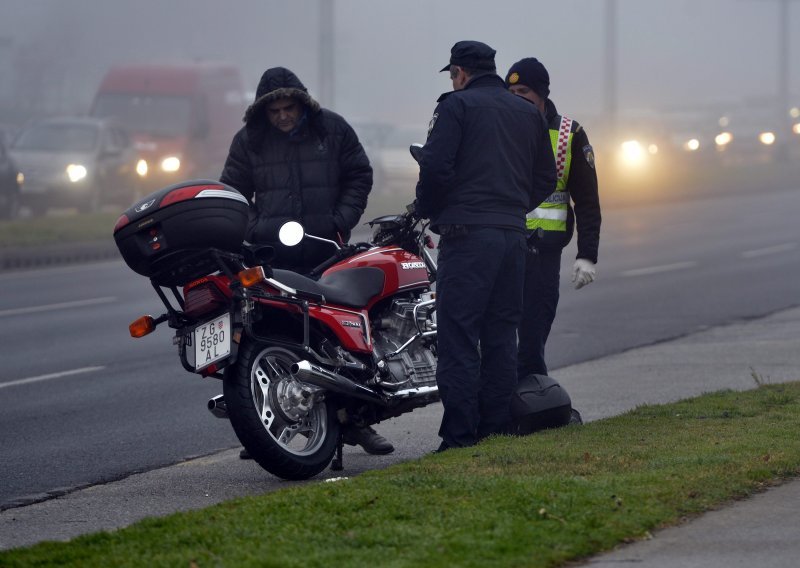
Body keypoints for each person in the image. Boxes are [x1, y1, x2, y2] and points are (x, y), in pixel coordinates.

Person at [220, 66, 394, 456]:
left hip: (325, 250)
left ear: (301, 104)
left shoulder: (332, 129)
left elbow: (359, 175)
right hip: (272, 256)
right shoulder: (249, 141)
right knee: (274, 339)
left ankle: (358, 423)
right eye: (274, 110)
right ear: (263, 112)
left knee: (338, 341)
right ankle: (268, 428)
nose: (282, 116)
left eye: (289, 108)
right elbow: (231, 195)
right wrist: (256, 228)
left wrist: (339, 221)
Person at [415, 41, 557, 451]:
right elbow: (545, 177)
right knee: (500, 335)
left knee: (458, 336)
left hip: (466, 236)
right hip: (512, 237)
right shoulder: (527, 113)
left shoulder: (455, 107)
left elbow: (436, 167)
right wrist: (511, 208)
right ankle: (494, 430)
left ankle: (459, 437)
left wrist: (431, 209)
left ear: (459, 73)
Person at [505, 58, 602, 379]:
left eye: (524, 91)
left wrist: (587, 254)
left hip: (543, 253)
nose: (516, 97)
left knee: (532, 340)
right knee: (499, 340)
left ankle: (534, 406)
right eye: (511, 91)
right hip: (503, 248)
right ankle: (508, 410)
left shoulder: (569, 134)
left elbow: (587, 201)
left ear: (542, 94)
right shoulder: (498, 128)